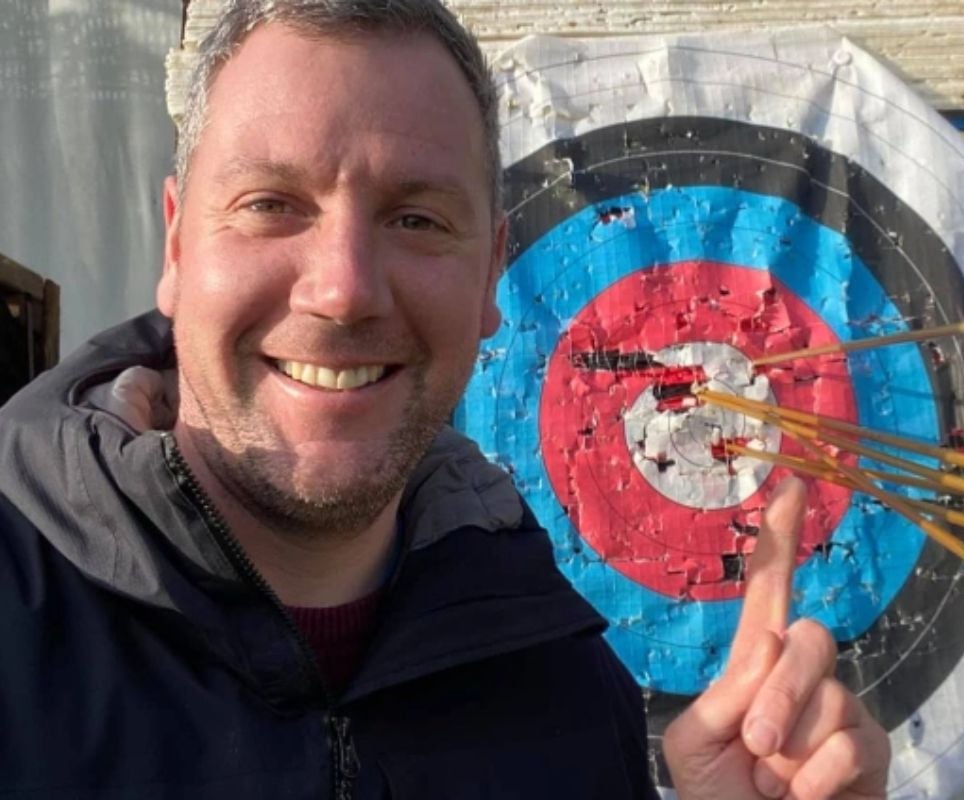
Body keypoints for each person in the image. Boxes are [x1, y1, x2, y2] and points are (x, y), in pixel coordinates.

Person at [0, 1, 889, 797]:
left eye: (417, 219)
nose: (344, 290)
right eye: (272, 204)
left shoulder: (574, 705)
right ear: (177, 246)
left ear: (491, 271)